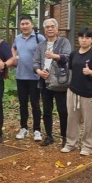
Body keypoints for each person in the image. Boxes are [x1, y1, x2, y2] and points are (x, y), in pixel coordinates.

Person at [61, 27, 92, 156]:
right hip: (73, 91)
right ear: (78, 38)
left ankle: (87, 146)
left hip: (89, 93)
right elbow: (71, 71)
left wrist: (90, 72)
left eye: (87, 38)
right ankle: (71, 143)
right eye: (82, 37)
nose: (84, 40)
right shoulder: (74, 54)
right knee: (72, 119)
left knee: (88, 121)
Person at [6, 14, 45, 142]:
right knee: (23, 104)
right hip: (20, 76)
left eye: (27, 23)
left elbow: (45, 53)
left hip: (35, 77)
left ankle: (37, 130)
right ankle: (23, 128)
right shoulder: (17, 38)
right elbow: (14, 48)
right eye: (22, 24)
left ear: (32, 25)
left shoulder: (39, 38)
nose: (24, 26)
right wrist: (14, 57)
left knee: (35, 104)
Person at [34, 18, 71, 147]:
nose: (49, 29)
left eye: (52, 26)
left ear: (57, 29)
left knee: (62, 110)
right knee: (47, 111)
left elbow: (67, 57)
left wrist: (54, 56)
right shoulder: (41, 45)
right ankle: (49, 136)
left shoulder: (64, 42)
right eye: (47, 27)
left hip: (60, 82)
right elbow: (35, 62)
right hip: (45, 82)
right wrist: (39, 72)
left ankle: (65, 137)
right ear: (44, 30)